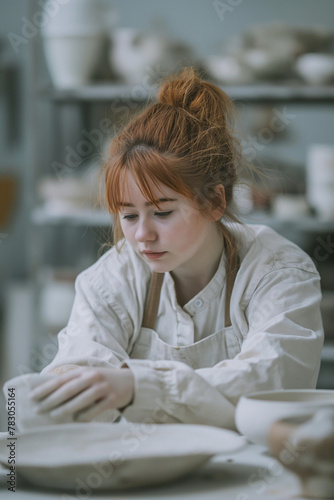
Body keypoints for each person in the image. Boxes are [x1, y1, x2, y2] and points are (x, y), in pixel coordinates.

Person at [31, 68, 324, 429]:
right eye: (128, 215)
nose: (142, 236)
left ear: (214, 201)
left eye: (162, 212)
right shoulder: (113, 277)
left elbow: (273, 383)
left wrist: (139, 385)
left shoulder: (278, 271)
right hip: (146, 475)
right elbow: (78, 371)